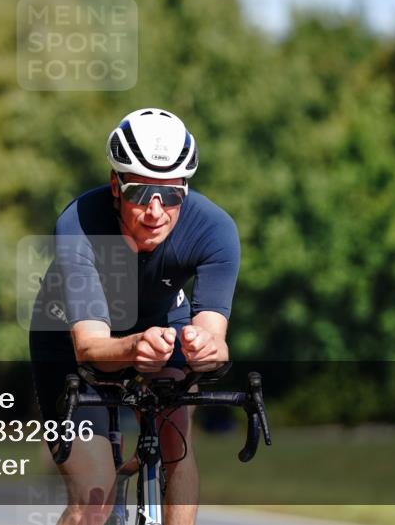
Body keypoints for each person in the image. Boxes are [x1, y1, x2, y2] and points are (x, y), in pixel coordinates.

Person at [29, 108, 240, 525]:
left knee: (175, 442)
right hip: (71, 335)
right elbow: (89, 347)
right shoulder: (79, 223)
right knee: (95, 496)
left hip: (163, 324)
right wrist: (135, 345)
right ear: (116, 186)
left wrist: (203, 348)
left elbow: (215, 340)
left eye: (172, 194)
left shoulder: (214, 229)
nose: (156, 211)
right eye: (141, 193)